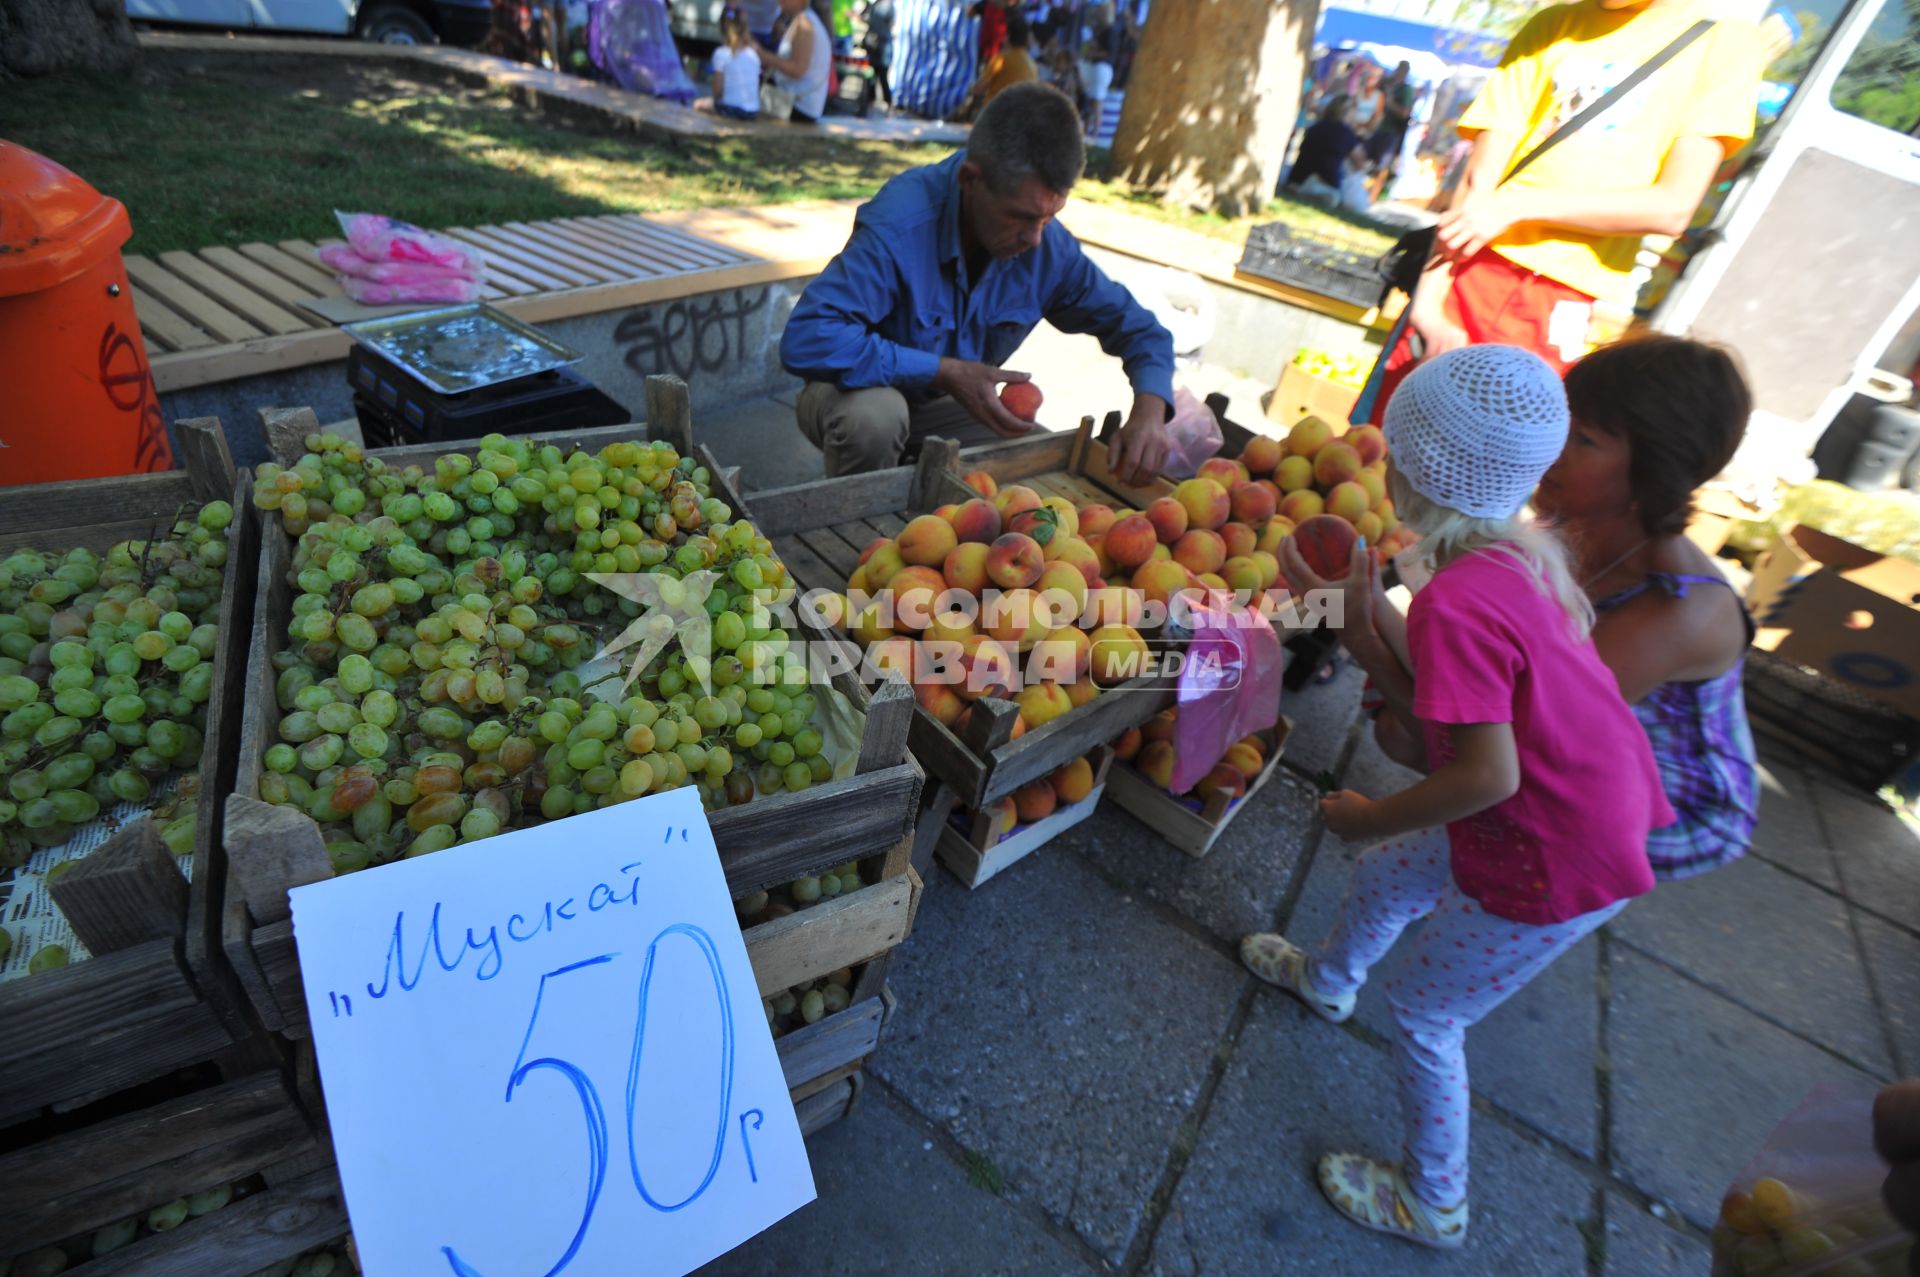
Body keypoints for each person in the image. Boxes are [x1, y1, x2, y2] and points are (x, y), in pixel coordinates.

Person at [1240, 346, 1672, 1250]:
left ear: (1411, 468)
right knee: (1392, 876)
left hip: (1554, 851)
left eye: (1394, 451)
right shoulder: (1511, 560)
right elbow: (1451, 696)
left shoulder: (1460, 598)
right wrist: (1361, 617)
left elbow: (1483, 772)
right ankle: (1327, 981)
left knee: (1428, 1013)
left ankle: (1435, 1199)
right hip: (1565, 811)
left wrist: (1364, 812)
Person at [1368, 0, 1765, 423]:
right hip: (1466, 275)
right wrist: (1428, 308)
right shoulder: (1554, 24)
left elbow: (1673, 206)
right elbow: (1474, 185)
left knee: (1494, 466)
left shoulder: (1723, 41)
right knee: (1383, 451)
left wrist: (1519, 205)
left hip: (1557, 300)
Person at [780, 81, 1176, 479]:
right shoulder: (901, 223)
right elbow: (808, 337)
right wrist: (944, 370)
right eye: (1021, 217)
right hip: (846, 396)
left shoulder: (1049, 249)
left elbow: (1142, 330)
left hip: (944, 406)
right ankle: (858, 523)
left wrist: (1150, 411)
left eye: (1050, 216)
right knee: (876, 419)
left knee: (1034, 466)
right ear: (970, 180)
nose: (1035, 237)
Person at [1284, 93, 1370, 205]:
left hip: (1296, 180)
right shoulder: (1346, 133)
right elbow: (1360, 164)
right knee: (1350, 171)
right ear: (1349, 111)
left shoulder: (1315, 127)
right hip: (1325, 185)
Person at [755, 0, 832, 123]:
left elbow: (798, 69)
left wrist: (764, 56)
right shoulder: (803, 19)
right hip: (795, 102)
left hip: (799, 106)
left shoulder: (804, 23)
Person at [955, 10, 1038, 117]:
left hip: (996, 114)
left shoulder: (1001, 59)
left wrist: (965, 90)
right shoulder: (1032, 64)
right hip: (1020, 116)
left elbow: (978, 89)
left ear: (1007, 36)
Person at [708, 9, 763, 120]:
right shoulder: (754, 55)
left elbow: (717, 92)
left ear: (722, 30)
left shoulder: (721, 53)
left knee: (699, 104)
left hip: (730, 110)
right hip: (752, 112)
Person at [861, 0, 895, 114]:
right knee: (871, 77)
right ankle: (870, 104)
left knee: (882, 78)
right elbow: (866, 18)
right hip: (874, 47)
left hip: (883, 47)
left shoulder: (888, 6)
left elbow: (889, 24)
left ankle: (888, 106)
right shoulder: (874, 4)